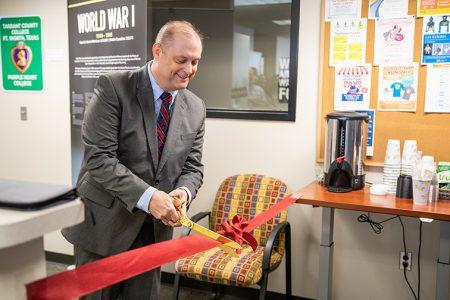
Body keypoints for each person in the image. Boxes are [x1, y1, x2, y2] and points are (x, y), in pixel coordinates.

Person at [62, 20, 205, 300]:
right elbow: (99, 158)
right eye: (182, 60)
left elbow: (193, 167)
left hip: (152, 233)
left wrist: (183, 193)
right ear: (158, 51)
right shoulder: (114, 88)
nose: (189, 70)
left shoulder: (196, 107)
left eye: (195, 61)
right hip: (104, 226)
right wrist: (150, 197)